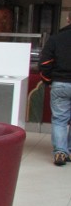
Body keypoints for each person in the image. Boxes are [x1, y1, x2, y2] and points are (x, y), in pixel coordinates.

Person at [39, 11, 71, 166]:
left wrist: (48, 80)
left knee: (60, 119)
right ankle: (69, 151)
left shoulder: (56, 39)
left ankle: (60, 152)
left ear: (68, 19)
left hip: (60, 83)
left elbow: (44, 64)